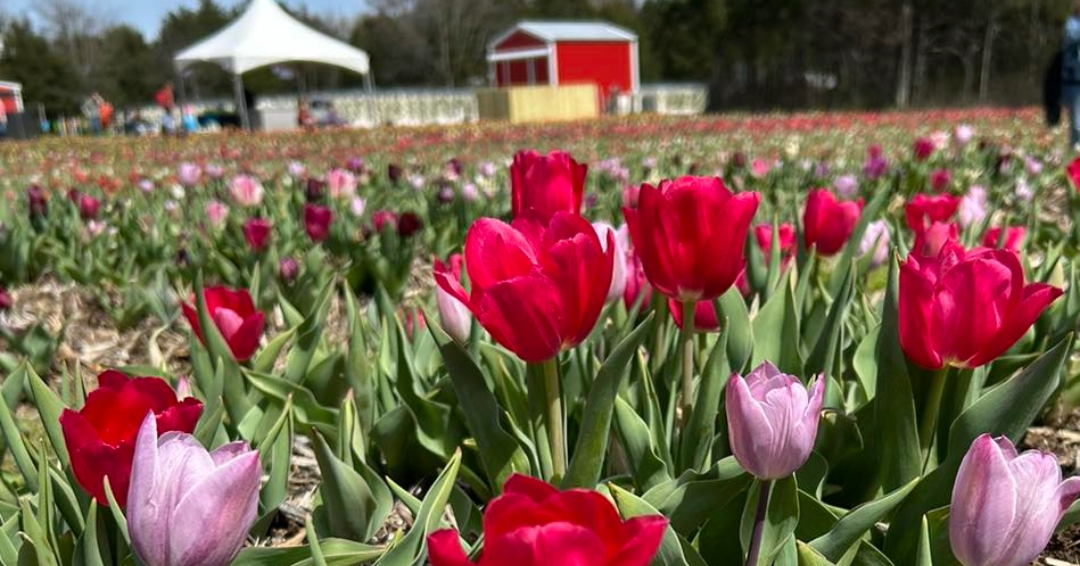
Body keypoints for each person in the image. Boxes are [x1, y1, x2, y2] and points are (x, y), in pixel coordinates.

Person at [1063, 0, 1080, 147]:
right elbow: (1072, 41)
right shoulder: (1072, 24)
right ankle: (1076, 148)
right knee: (1077, 121)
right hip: (1075, 80)